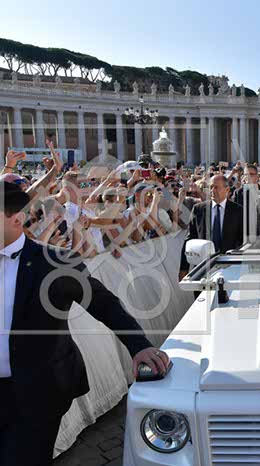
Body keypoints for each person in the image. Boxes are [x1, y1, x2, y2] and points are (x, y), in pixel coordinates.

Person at [0, 181, 168, 466]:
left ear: (16, 219)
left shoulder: (52, 262)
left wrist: (138, 346)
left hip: (37, 391)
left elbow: (103, 303)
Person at [186, 175, 243, 254]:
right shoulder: (198, 209)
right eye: (211, 187)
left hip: (229, 259)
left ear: (227, 189)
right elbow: (190, 238)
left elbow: (243, 239)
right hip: (204, 259)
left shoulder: (238, 211)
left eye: (216, 187)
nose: (212, 190)